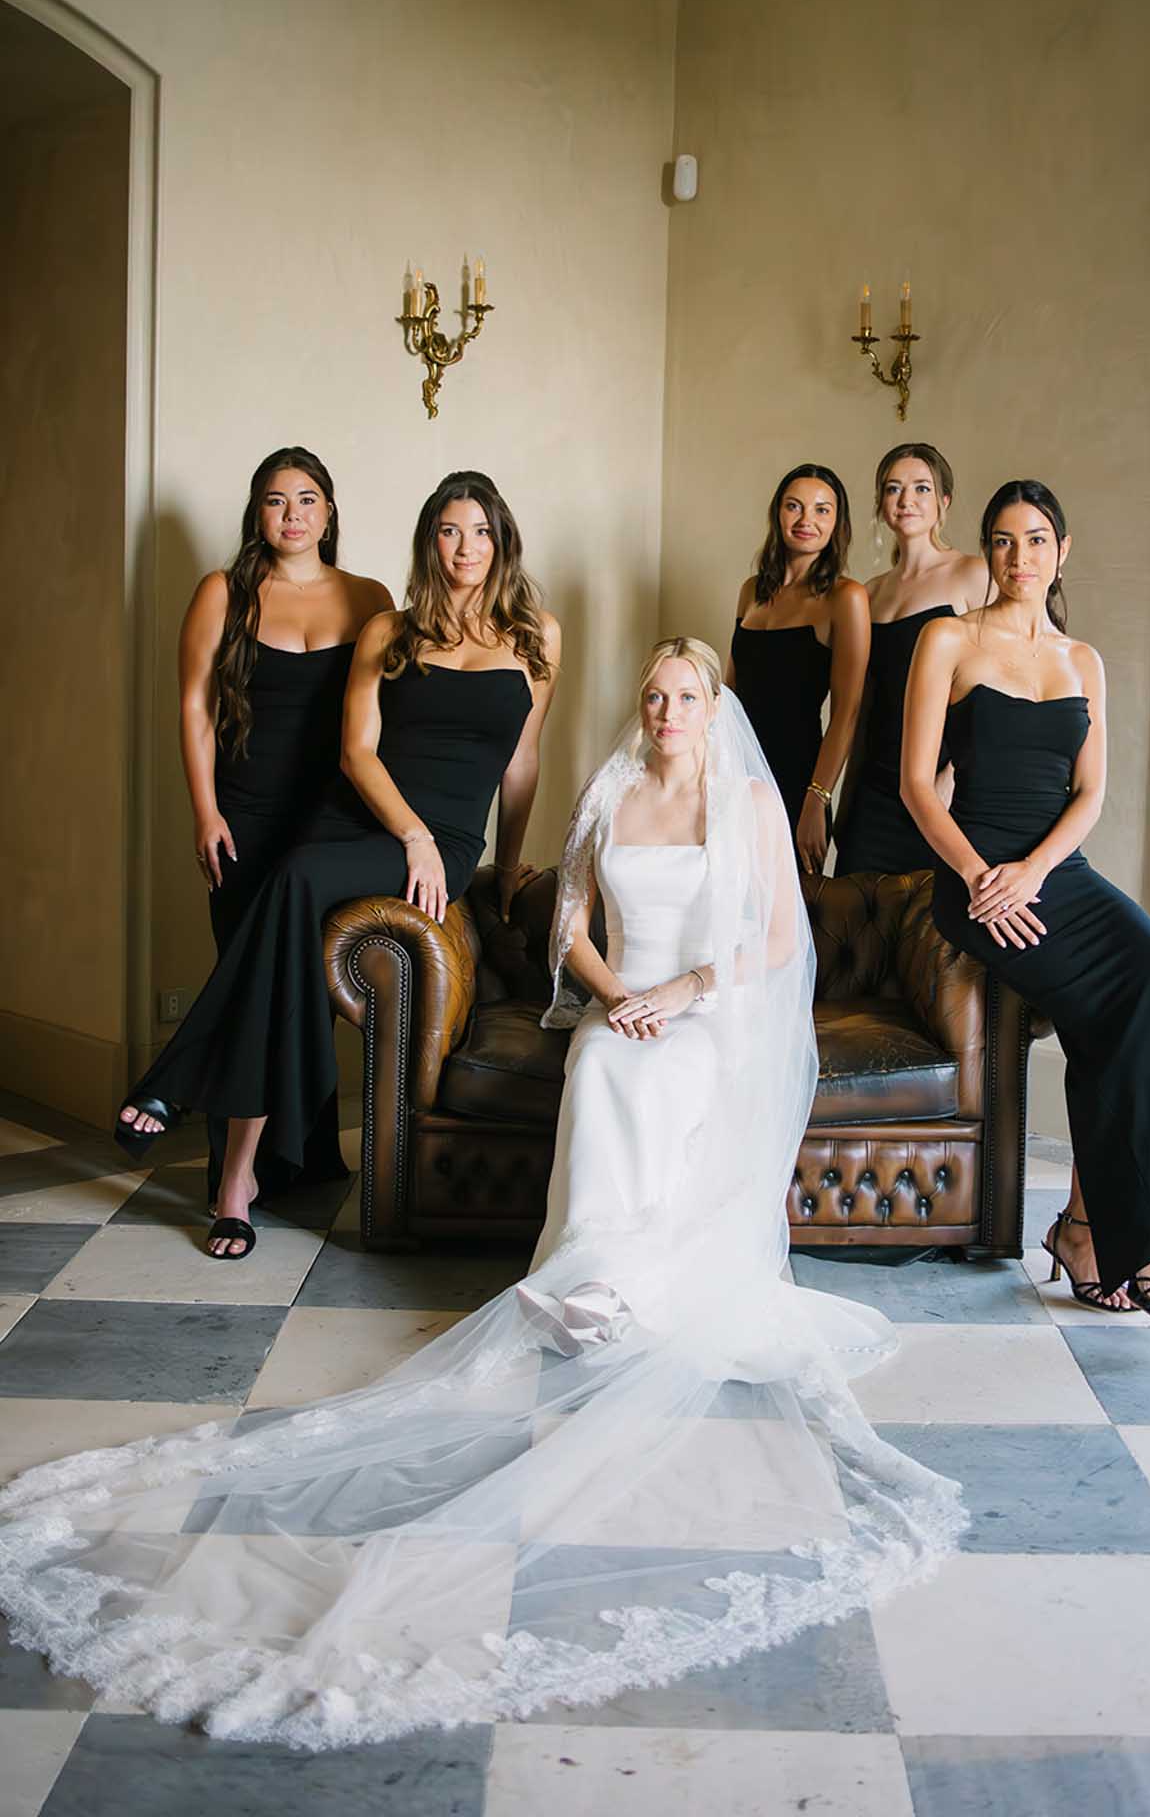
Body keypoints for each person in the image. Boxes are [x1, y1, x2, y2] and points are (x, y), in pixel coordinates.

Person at [0, 639, 964, 1749]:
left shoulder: (746, 795)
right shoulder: (612, 787)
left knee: (665, 1066)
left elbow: (778, 940)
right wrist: (618, 997)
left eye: (684, 695)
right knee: (603, 1062)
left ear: (713, 707)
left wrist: (684, 994)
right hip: (626, 1004)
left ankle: (643, 1281)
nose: (664, 710)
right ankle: (591, 1272)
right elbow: (569, 927)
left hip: (715, 1012)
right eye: (652, 694)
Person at [116, 470, 559, 1258]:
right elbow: (356, 754)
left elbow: (522, 765)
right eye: (450, 531)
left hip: (449, 843)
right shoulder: (391, 628)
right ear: (431, 539)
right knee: (284, 938)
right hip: (368, 820)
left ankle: (173, 1082)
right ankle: (238, 1183)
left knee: (285, 886)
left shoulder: (537, 635)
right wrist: (410, 836)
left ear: (503, 540)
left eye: (482, 532)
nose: (466, 548)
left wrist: (504, 869)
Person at [903, 480, 1150, 1322]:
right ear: (988, 551)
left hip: (1054, 875)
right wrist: (983, 876)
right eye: (1005, 541)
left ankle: (1093, 1227)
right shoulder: (948, 639)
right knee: (1108, 1021)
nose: (1021, 558)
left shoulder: (1081, 659)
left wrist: (1036, 869)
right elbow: (916, 788)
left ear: (1062, 550)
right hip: (973, 878)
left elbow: (1090, 793)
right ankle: (1102, 1238)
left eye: (1038, 539)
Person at [178, 447, 392, 1208]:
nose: (292, 514)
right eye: (275, 501)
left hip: (332, 824)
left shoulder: (370, 597)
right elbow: (197, 710)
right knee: (247, 986)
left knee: (305, 985)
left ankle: (302, 1161)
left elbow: (386, 720)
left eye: (307, 499)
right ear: (256, 513)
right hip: (244, 816)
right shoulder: (224, 592)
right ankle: (232, 1178)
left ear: (330, 511)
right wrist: (205, 812)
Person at [836, 443, 989, 876]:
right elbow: (864, 709)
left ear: (944, 502)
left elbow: (995, 692)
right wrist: (844, 807)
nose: (906, 500)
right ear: (881, 503)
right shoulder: (869, 593)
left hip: (941, 793)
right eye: (893, 489)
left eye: (921, 488)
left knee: (926, 936)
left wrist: (953, 776)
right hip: (875, 794)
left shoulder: (972, 575)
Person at [726, 464, 869, 873]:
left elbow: (847, 710)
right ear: (778, 514)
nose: (807, 520)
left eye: (822, 510)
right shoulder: (751, 591)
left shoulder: (846, 597)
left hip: (797, 775)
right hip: (736, 772)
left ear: (837, 523)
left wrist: (817, 798)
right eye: (795, 506)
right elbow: (729, 692)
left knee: (788, 914)